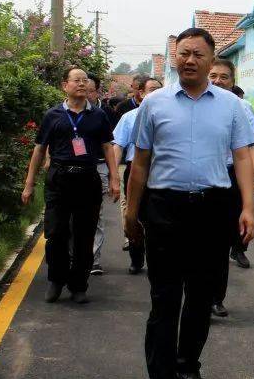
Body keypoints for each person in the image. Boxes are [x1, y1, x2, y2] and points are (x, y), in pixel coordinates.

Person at [123, 28, 254, 379]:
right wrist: (131, 213)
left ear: (212, 59)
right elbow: (140, 163)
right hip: (165, 209)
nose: (190, 60)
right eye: (183, 53)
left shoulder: (232, 106)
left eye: (198, 54)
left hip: (213, 209)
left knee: (200, 298)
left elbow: (243, 158)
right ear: (175, 57)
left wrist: (248, 207)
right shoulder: (154, 104)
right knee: (164, 301)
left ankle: (187, 365)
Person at [21, 66, 120, 304]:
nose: (82, 84)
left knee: (84, 235)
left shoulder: (98, 115)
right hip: (59, 178)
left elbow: (107, 147)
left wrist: (115, 179)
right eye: (76, 80)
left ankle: (79, 285)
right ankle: (56, 280)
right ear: (64, 85)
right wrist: (29, 184)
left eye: (85, 80)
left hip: (88, 179)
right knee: (56, 233)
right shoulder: (53, 115)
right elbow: (39, 149)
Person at [207, 57, 254, 317]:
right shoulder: (193, 104)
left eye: (224, 77)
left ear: (233, 81)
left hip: (229, 177)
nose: (218, 81)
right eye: (213, 76)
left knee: (220, 242)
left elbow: (251, 145)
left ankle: (215, 298)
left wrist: (251, 182)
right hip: (198, 178)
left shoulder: (241, 107)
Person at [112, 77, 162, 274]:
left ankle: (157, 259)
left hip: (161, 170)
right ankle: (136, 257)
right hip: (136, 169)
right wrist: (114, 175)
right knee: (135, 214)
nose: (156, 93)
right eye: (152, 89)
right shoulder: (130, 117)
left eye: (159, 89)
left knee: (157, 217)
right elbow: (118, 145)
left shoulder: (171, 116)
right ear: (141, 93)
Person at [87, 73, 120, 275]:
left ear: (97, 91)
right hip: (70, 171)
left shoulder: (106, 113)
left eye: (90, 90)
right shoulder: (65, 112)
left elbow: (112, 144)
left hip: (99, 167)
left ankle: (94, 259)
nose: (86, 93)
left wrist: (114, 176)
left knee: (95, 214)